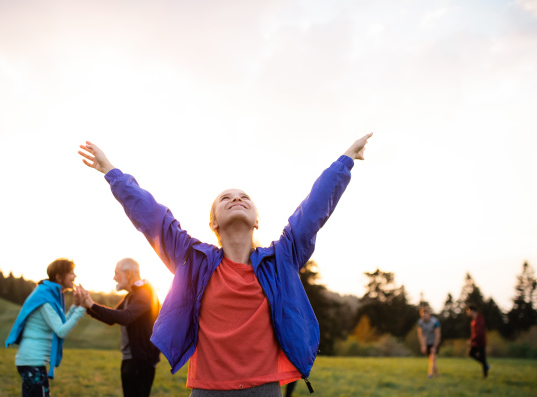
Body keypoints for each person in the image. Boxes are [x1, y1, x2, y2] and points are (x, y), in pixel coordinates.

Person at [78, 133, 372, 396]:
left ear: (257, 220)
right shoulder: (191, 259)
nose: (236, 199)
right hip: (207, 390)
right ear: (213, 222)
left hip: (264, 390)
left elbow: (313, 210)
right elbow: (152, 215)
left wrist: (344, 161)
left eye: (244, 197)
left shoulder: (281, 259)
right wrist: (111, 171)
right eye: (226, 198)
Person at [80, 258, 160, 397]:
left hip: (141, 362)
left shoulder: (145, 293)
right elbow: (113, 318)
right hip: (131, 360)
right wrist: (87, 307)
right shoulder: (132, 295)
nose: (114, 278)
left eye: (116, 273)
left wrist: (92, 305)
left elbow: (125, 317)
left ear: (128, 274)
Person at [6, 258, 86, 397]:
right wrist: (82, 309)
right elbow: (61, 331)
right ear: (59, 277)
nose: (75, 276)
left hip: (31, 362)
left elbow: (59, 325)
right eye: (71, 272)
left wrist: (76, 306)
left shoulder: (48, 294)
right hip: (32, 362)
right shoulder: (44, 298)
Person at [416, 306, 441, 378]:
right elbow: (420, 335)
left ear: (429, 314)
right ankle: (437, 374)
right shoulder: (420, 322)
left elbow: (438, 335)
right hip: (426, 342)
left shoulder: (435, 322)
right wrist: (423, 345)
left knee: (432, 358)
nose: (424, 316)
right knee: (431, 360)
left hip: (434, 342)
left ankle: (430, 375)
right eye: (422, 315)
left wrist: (435, 346)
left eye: (425, 314)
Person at [466, 305, 490, 377]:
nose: (467, 313)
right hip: (476, 342)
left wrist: (471, 340)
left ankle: (485, 373)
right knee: (472, 354)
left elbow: (479, 333)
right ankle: (486, 366)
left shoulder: (479, 319)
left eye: (468, 311)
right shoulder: (474, 320)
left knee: (482, 357)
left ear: (472, 310)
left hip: (481, 342)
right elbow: (474, 332)